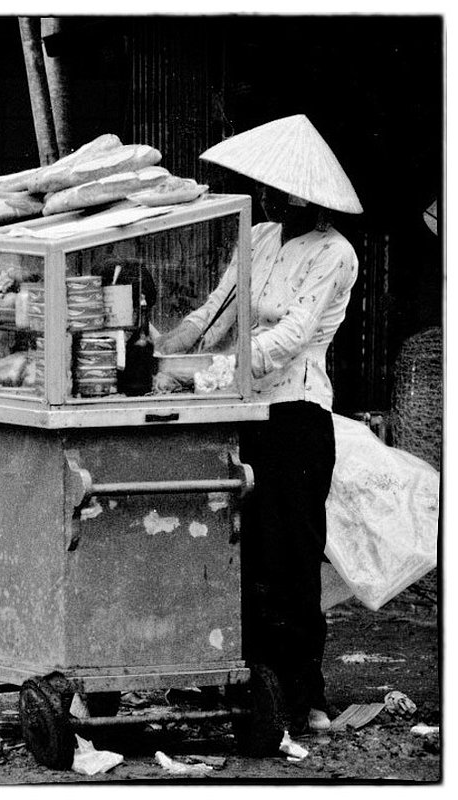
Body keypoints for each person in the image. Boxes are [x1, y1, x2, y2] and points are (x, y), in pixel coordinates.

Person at [156, 114, 363, 737]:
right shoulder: (261, 237)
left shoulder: (335, 254)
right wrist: (176, 344)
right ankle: (241, 680)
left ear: (304, 196)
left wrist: (208, 372)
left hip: (294, 417)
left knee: (290, 557)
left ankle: (302, 694)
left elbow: (291, 338)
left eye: (277, 192)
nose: (268, 199)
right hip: (240, 411)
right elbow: (219, 305)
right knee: (235, 551)